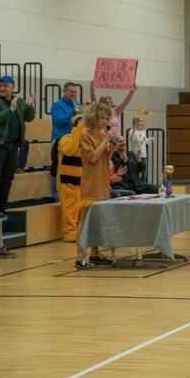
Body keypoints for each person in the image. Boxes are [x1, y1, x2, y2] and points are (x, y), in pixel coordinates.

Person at [75, 102, 116, 270]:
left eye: (107, 118)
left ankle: (95, 254)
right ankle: (79, 257)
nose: (105, 121)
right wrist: (106, 140)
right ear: (94, 118)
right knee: (84, 219)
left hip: (102, 181)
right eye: (102, 118)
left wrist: (115, 147)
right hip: (91, 182)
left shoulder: (101, 135)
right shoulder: (85, 136)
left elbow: (105, 157)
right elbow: (92, 158)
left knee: (97, 220)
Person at [0, 76, 36, 220]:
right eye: (0, 86)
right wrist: (10, 109)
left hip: (13, 144)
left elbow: (29, 118)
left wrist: (30, 106)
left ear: (12, 87)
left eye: (6, 86)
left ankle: (2, 205)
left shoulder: (18, 101)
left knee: (7, 177)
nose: (2, 88)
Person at [50, 82, 82, 201]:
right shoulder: (57, 105)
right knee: (57, 168)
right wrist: (74, 112)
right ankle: (56, 195)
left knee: (73, 169)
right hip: (60, 140)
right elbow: (58, 121)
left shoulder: (77, 104)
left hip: (74, 142)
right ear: (64, 91)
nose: (74, 94)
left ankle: (71, 194)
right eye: (71, 92)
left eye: (75, 92)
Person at [56, 115, 85, 242]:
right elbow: (69, 150)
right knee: (70, 208)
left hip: (83, 180)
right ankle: (70, 232)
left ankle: (81, 231)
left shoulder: (87, 141)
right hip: (67, 179)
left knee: (81, 209)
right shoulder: (66, 138)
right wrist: (78, 131)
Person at [127, 116, 153, 183]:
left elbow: (144, 141)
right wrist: (134, 131)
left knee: (144, 171)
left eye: (142, 121)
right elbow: (132, 140)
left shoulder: (144, 131)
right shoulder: (132, 131)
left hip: (143, 154)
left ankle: (143, 184)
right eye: (139, 121)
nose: (141, 123)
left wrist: (150, 140)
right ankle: (137, 184)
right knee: (136, 170)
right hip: (135, 154)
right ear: (135, 122)